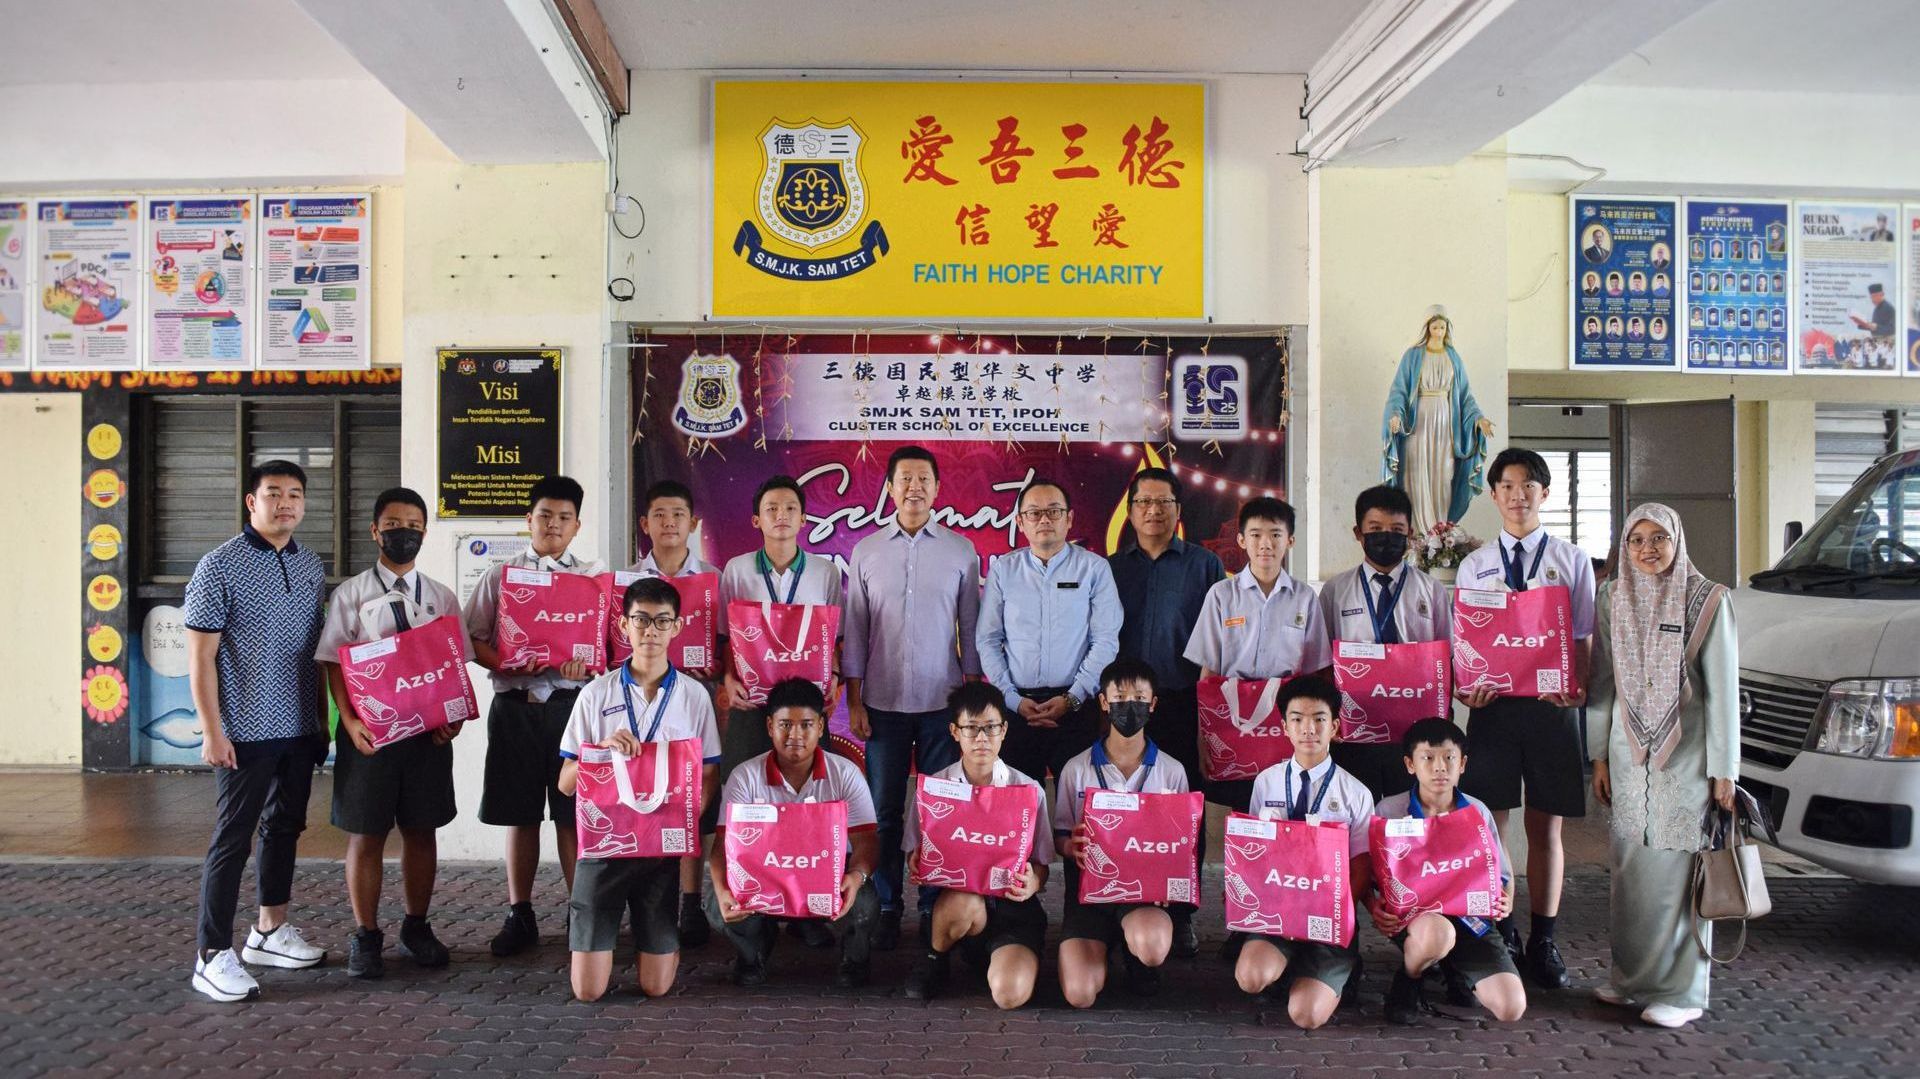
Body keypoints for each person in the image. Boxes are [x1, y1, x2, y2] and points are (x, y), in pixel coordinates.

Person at [185, 460, 330, 1002]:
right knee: (233, 838)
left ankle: (269, 931)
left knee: (284, 828)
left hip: (298, 726)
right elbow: (201, 658)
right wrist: (211, 730)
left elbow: (315, 650)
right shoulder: (218, 565)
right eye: (273, 493)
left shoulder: (310, 564)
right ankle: (211, 955)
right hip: (243, 729)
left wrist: (321, 721)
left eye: (295, 494)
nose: (285, 503)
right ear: (252, 501)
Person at [1588, 504, 1738, 1029]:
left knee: (1680, 872)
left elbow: (1722, 691)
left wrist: (1724, 770)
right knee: (1630, 871)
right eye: (1636, 540)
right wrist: (1598, 755)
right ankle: (1632, 980)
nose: (1647, 549)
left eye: (1659, 538)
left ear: (1678, 541)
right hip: (1628, 758)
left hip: (1687, 758)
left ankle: (1682, 992)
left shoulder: (1709, 600)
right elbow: (1602, 682)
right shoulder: (1612, 597)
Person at [1454, 449, 1595, 991]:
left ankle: (1544, 938)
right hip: (1493, 710)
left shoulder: (1571, 560)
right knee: (1491, 825)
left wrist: (1578, 689)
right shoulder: (1475, 564)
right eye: (1508, 486)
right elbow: (1468, 639)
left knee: (1546, 827)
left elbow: (1582, 636)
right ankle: (1503, 928)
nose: (1518, 495)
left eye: (1528, 485)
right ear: (1493, 495)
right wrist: (1467, 689)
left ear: (1545, 493)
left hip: (1551, 710)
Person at [314, 487, 468, 979]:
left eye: (414, 526)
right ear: (375, 531)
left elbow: (454, 666)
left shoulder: (441, 597)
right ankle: (365, 935)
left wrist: (453, 717)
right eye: (394, 525)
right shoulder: (350, 594)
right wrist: (349, 721)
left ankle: (416, 926)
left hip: (427, 739)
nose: (405, 534)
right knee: (367, 834)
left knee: (422, 831)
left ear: (425, 533)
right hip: (370, 738)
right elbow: (333, 665)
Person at [842, 445, 983, 950]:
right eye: (905, 478)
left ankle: (931, 905)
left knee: (939, 808)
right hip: (882, 704)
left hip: (943, 704)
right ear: (889, 487)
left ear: (938, 488)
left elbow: (971, 627)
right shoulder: (866, 551)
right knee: (884, 811)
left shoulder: (961, 551)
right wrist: (854, 700)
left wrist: (971, 699)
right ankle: (886, 905)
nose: (914, 487)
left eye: (924, 478)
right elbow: (855, 631)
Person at [556, 577, 721, 1001]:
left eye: (662, 620)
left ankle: (660, 947)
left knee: (655, 987)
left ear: (677, 626)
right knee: (588, 992)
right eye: (641, 620)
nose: (651, 630)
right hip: (603, 851)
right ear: (623, 625)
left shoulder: (694, 696)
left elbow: (707, 775)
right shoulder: (595, 694)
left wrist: (684, 822)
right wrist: (601, 751)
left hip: (658, 852)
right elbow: (565, 784)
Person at [465, 475, 605, 958]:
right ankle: (519, 913)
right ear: (529, 520)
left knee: (572, 816)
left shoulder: (591, 579)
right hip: (515, 709)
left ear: (577, 525)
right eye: (545, 515)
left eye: (564, 517)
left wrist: (585, 664)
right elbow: (472, 639)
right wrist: (505, 663)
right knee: (520, 815)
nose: (553, 524)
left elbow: (607, 647)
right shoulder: (500, 576)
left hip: (572, 710)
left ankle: (579, 913)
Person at [708, 475, 841, 947]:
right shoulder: (738, 570)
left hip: (805, 710)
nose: (781, 516)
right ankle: (756, 903)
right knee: (747, 802)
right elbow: (724, 638)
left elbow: (834, 639)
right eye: (771, 509)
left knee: (811, 804)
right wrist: (726, 680)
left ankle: (806, 912)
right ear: (756, 519)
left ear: (804, 519)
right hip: (754, 705)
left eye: (790, 508)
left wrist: (835, 678)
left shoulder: (825, 572)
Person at [1108, 466, 1224, 956]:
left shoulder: (1205, 566)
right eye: (1144, 502)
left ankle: (1182, 912)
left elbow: (1219, 641)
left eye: (1163, 502)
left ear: (1178, 510)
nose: (1153, 511)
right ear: (1130, 510)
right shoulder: (1109, 569)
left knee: (1183, 811)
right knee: (1121, 807)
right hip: (1121, 707)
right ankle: (1116, 903)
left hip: (1182, 704)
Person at [707, 677, 879, 988]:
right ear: (770, 726)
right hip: (763, 879)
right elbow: (722, 844)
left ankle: (854, 959)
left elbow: (866, 841)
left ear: (821, 727)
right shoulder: (744, 777)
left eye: (806, 725)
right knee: (716, 907)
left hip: (828, 878)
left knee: (864, 903)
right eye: (785, 725)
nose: (795, 735)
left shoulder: (846, 774)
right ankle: (753, 954)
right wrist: (721, 890)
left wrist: (856, 877)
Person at [1234, 676, 1376, 1029]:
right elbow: (1254, 851)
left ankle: (1341, 967)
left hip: (1329, 919)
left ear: (1335, 727)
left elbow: (1361, 867)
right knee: (1250, 977)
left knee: (1306, 1016)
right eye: (1297, 719)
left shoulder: (1356, 793)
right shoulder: (1266, 781)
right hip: (1276, 913)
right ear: (1284, 727)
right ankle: (1289, 965)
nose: (1308, 729)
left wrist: (1328, 915)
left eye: (1319, 719)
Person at [901, 682, 1055, 1008]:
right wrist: (916, 861)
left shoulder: (1028, 790)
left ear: (1004, 730)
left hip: (1013, 909)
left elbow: (1042, 863)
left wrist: (1034, 882)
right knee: (963, 899)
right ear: (955, 732)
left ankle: (993, 957)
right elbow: (914, 851)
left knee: (1009, 996)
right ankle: (935, 958)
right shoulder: (935, 788)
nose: (982, 738)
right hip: (962, 902)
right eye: (971, 728)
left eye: (991, 727)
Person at [1053, 659, 1191, 1007]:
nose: (1130, 706)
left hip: (1143, 897)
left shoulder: (1172, 771)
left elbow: (1183, 845)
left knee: (1152, 946)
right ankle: (1101, 945)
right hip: (1088, 898)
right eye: (1119, 698)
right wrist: (1071, 846)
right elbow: (1059, 837)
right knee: (1080, 994)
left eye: (1139, 698)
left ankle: (1137, 956)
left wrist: (1170, 878)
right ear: (1103, 702)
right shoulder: (1075, 768)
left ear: (1153, 704)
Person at [1368, 718, 1525, 1025]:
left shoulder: (1477, 811)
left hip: (1472, 920)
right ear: (1410, 765)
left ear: (1462, 764)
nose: (1439, 767)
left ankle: (1454, 967)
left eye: (1449, 758)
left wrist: (1506, 898)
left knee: (1511, 1007)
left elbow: (1501, 873)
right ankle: (1410, 977)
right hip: (1419, 921)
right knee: (1438, 935)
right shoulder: (1388, 811)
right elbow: (1373, 874)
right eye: (1427, 758)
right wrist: (1375, 907)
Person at [1185, 497, 1331, 811]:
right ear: (1241, 540)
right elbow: (1208, 674)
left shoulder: (1304, 598)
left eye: (1276, 534)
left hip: (1285, 721)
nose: (1266, 544)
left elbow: (1315, 673)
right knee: (1238, 807)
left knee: (1285, 806)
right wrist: (1203, 736)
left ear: (1290, 540)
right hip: (1232, 720)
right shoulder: (1221, 595)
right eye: (1256, 534)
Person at [977, 477, 1122, 786]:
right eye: (1034, 513)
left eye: (1054, 511)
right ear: (1020, 522)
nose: (1044, 520)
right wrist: (1012, 700)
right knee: (1019, 805)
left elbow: (1105, 640)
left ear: (1069, 519)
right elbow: (987, 640)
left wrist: (1072, 698)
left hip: (1076, 707)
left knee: (1079, 803)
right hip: (1016, 710)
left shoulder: (1094, 569)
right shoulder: (1003, 570)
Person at [1318, 486, 1450, 798]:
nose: (1386, 538)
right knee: (1356, 812)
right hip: (1355, 726)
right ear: (1358, 533)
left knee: (1411, 813)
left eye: (1396, 530)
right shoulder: (1336, 590)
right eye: (1376, 529)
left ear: (1410, 534)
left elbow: (1446, 659)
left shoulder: (1431, 590)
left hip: (1416, 729)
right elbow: (1322, 662)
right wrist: (1330, 718)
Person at [1380, 307, 1494, 533]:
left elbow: (1465, 396)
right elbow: (1399, 391)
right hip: (1418, 423)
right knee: (1415, 472)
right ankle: (1416, 533)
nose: (1439, 332)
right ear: (1427, 328)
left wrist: (1479, 419)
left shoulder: (1453, 357)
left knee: (1443, 474)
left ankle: (1439, 531)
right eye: (1435, 327)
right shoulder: (1413, 355)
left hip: (1445, 425)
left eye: (1443, 327)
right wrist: (1395, 415)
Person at [629, 479, 719, 579]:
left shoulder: (714, 577)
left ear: (692, 524)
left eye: (678, 514)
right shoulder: (626, 580)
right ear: (645, 524)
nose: (669, 523)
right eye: (659, 515)